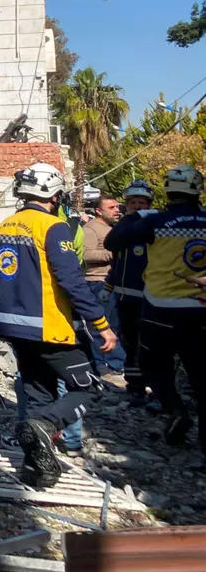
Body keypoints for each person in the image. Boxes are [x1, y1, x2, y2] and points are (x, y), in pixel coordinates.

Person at [0, 163, 117, 488]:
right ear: (55, 195)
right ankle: (46, 426)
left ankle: (38, 470)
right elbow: (72, 281)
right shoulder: (53, 226)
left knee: (39, 392)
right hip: (51, 328)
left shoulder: (6, 226)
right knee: (89, 388)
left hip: (13, 328)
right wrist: (101, 323)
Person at [106, 165, 206, 455]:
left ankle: (175, 409)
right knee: (201, 375)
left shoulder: (156, 221)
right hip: (200, 310)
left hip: (161, 308)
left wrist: (136, 215)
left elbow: (113, 242)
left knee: (153, 365)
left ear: (166, 190)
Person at [105, 180, 155, 403]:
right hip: (125, 295)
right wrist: (109, 284)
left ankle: (155, 385)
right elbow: (113, 249)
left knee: (150, 343)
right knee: (129, 342)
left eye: (141, 202)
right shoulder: (124, 225)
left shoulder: (155, 224)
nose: (136, 206)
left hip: (151, 295)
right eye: (132, 202)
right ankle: (134, 385)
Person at [82, 193, 128, 376]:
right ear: (98, 211)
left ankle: (115, 362)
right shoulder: (92, 229)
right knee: (102, 325)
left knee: (115, 324)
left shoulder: (113, 228)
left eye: (117, 207)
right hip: (97, 282)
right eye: (112, 207)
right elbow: (86, 254)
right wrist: (113, 254)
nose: (117, 210)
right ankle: (105, 364)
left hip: (113, 282)